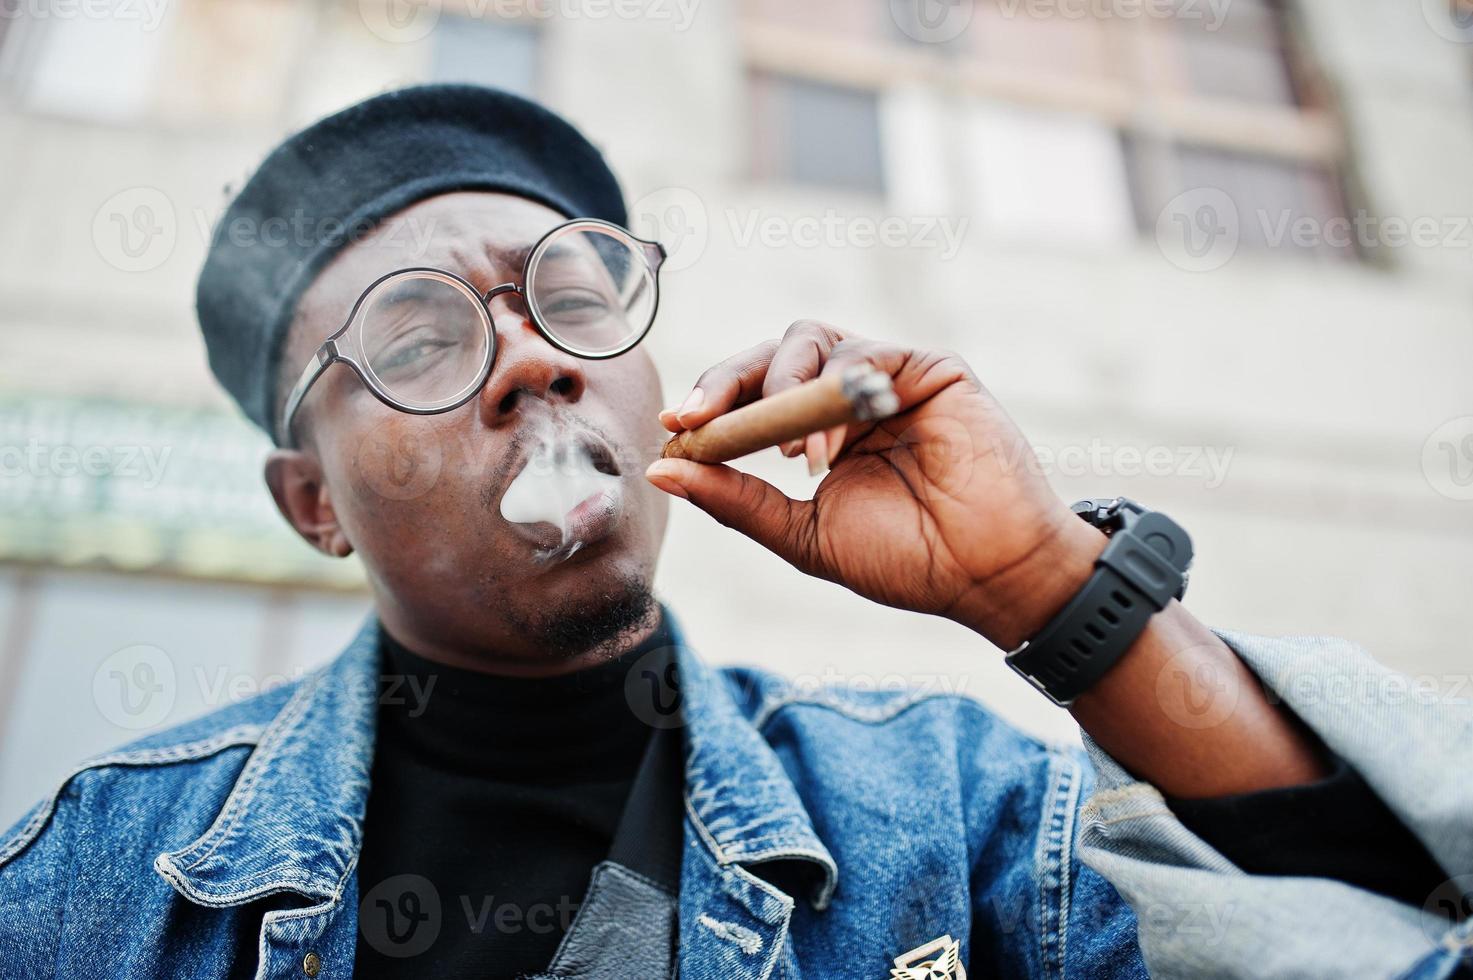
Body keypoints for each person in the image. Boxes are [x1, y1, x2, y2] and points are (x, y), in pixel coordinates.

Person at [0, 84, 1467, 980]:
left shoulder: (948, 822)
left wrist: (1047, 590)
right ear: (312, 501)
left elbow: (1382, 936)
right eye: (418, 333)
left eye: (569, 295)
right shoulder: (92, 895)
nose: (533, 361)